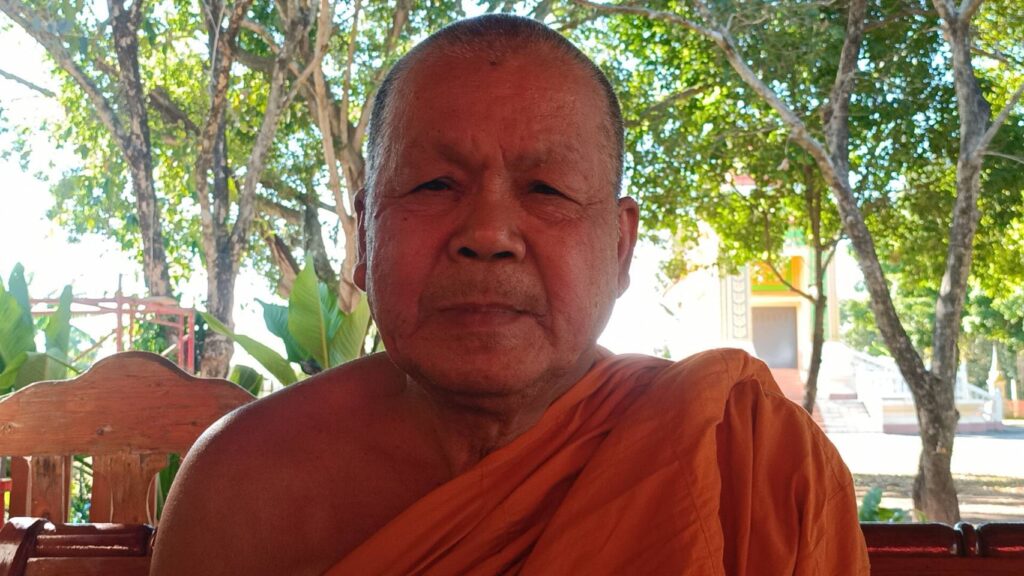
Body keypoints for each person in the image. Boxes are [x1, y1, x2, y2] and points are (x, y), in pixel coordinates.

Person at [151, 14, 869, 576]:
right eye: (435, 184)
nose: (489, 233)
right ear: (365, 238)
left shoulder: (749, 463)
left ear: (620, 247)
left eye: (547, 189)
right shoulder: (247, 485)